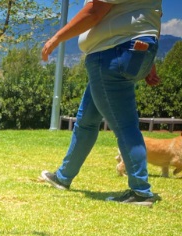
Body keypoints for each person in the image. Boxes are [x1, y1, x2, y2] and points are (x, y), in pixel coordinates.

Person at [39, 0, 162, 206]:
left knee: (125, 126)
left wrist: (56, 38)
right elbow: (142, 16)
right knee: (86, 120)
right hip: (132, 50)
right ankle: (63, 177)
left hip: (112, 55)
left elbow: (95, 11)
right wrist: (147, 62)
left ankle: (141, 191)